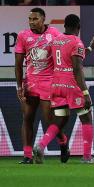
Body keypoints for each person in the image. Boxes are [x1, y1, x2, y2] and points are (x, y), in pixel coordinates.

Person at [33, 14, 94, 164]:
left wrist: (90, 47)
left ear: (64, 26)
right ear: (78, 28)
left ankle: (41, 145)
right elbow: (77, 68)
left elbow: (71, 57)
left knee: (59, 120)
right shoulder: (76, 41)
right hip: (72, 85)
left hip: (57, 85)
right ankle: (86, 157)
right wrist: (85, 93)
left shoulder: (55, 41)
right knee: (86, 118)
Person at [15, 8, 68, 163]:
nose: (31, 22)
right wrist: (19, 87)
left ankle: (63, 142)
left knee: (50, 120)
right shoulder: (23, 36)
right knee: (27, 118)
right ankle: (27, 156)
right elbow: (18, 64)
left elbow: (64, 55)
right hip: (30, 83)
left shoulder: (54, 34)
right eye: (30, 19)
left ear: (43, 19)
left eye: (35, 19)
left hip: (49, 82)